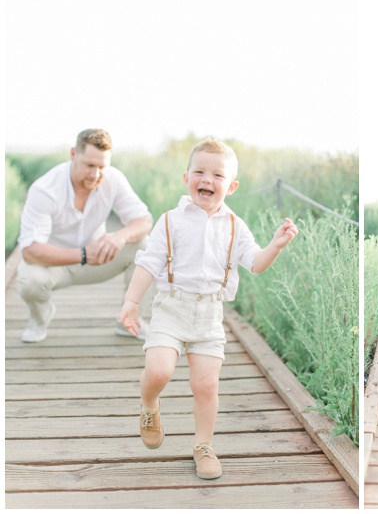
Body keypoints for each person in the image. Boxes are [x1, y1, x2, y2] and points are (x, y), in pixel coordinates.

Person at [117, 137, 299, 480]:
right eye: (199, 171)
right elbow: (148, 264)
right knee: (158, 371)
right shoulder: (170, 221)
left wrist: (275, 245)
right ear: (186, 178)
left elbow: (256, 263)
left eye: (217, 175)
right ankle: (149, 404)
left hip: (209, 315)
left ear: (231, 186)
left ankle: (203, 446)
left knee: (206, 386)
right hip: (170, 309)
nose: (207, 179)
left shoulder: (234, 226)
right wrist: (130, 303)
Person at [16, 128, 155, 343]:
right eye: (90, 165)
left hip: (97, 260)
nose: (96, 174)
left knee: (146, 246)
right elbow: (30, 252)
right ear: (73, 154)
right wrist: (82, 254)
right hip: (53, 265)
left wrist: (119, 237)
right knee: (29, 280)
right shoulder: (44, 189)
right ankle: (39, 319)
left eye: (102, 167)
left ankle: (128, 321)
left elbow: (144, 220)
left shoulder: (113, 179)